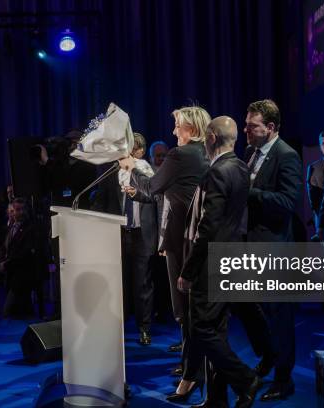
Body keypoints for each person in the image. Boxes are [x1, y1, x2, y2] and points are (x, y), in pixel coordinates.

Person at [119, 105, 210, 399]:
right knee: (194, 308)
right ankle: (189, 366)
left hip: (180, 240)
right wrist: (140, 190)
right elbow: (160, 191)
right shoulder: (204, 153)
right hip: (196, 238)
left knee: (184, 309)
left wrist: (131, 166)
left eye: (178, 127)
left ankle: (192, 372)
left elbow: (154, 184)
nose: (173, 132)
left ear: (192, 129)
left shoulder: (180, 154)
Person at [178, 116, 258, 408]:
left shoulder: (216, 172)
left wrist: (188, 270)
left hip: (212, 263)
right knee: (217, 329)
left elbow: (207, 228)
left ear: (210, 138)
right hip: (233, 258)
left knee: (201, 329)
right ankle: (216, 399)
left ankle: (245, 378)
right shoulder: (240, 167)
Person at [239, 99, 302, 401]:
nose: (245, 130)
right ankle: (268, 360)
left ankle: (284, 379)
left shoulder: (286, 155)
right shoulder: (251, 153)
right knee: (258, 312)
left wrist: (249, 193)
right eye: (246, 124)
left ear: (271, 128)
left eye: (252, 126)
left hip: (275, 251)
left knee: (279, 317)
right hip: (252, 247)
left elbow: (288, 203)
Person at [120, 133, 158, 346]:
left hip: (142, 234)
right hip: (120, 233)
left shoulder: (145, 168)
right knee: (120, 282)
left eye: (130, 148)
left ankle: (144, 329)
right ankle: (118, 326)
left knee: (142, 283)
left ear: (140, 151)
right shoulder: (113, 172)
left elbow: (153, 194)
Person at [1, 198, 38, 317]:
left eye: (21, 209)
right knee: (22, 309)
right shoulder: (10, 227)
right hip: (11, 274)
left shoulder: (30, 228)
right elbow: (6, 247)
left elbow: (25, 253)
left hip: (23, 275)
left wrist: (6, 264)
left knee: (8, 310)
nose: (18, 212)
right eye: (16, 210)